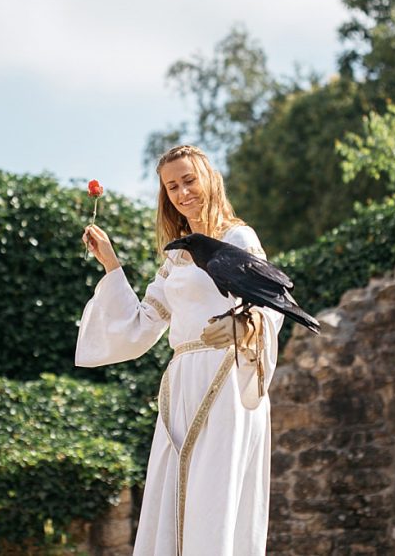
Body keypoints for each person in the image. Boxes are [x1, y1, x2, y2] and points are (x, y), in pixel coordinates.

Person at [77, 144, 284, 556]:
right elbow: (141, 324)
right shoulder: (176, 257)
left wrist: (240, 326)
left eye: (189, 180)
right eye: (172, 186)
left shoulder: (237, 237)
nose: (182, 192)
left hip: (227, 378)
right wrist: (111, 265)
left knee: (214, 499)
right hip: (181, 385)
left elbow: (271, 305)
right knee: (173, 497)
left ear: (208, 178)